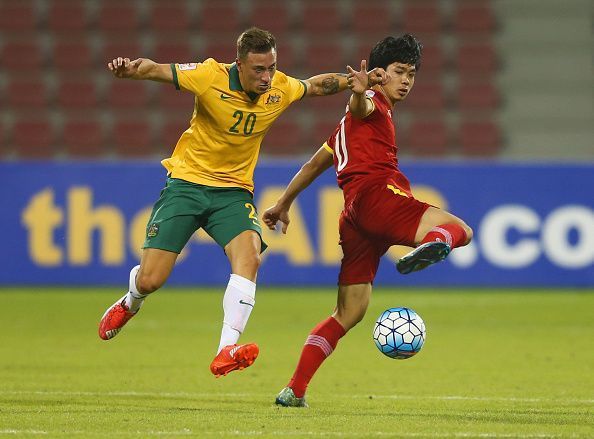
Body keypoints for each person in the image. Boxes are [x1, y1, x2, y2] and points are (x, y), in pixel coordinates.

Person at [98, 27, 387, 378]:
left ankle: (226, 349)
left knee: (250, 256)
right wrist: (128, 68)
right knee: (151, 279)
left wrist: (357, 80)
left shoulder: (280, 86)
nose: (267, 77)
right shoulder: (209, 76)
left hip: (233, 193)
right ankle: (131, 301)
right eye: (259, 70)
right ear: (239, 64)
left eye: (272, 67)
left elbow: (314, 85)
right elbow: (157, 68)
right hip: (187, 185)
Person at [262, 34, 473, 407]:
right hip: (379, 198)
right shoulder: (371, 102)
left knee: (349, 313)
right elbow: (361, 105)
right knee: (462, 231)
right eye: (399, 72)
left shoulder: (343, 128)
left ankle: (294, 390)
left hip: (354, 217)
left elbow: (314, 165)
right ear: (379, 73)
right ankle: (432, 243)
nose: (406, 80)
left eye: (411, 74)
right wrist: (359, 92)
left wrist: (283, 203)